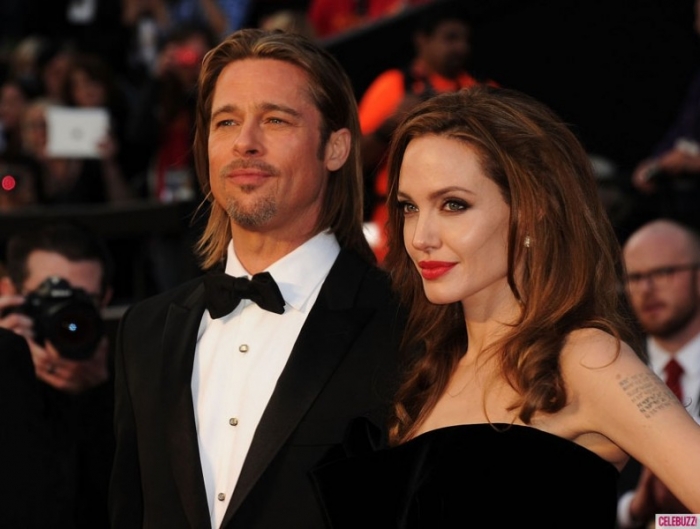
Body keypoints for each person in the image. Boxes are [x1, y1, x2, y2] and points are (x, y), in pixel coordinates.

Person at [310, 86, 700, 528]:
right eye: (409, 207)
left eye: (453, 205)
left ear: (531, 209)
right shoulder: (425, 373)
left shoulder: (585, 359)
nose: (420, 237)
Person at [109, 28, 406, 529]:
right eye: (226, 122)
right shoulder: (144, 332)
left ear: (335, 148)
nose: (245, 143)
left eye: (275, 120)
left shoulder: (408, 323)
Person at [357, 2, 498, 261]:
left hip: (469, 222)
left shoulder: (482, 90)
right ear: (422, 41)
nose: (461, 47)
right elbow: (352, 160)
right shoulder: (394, 85)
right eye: (450, 38)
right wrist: (390, 125)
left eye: (465, 40)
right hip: (398, 226)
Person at [0, 221, 117, 528]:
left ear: (105, 300)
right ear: (8, 292)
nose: (68, 318)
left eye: (83, 302)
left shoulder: (130, 379)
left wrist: (101, 396)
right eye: (51, 298)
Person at [617, 218, 700, 528]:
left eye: (664, 272)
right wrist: (633, 509)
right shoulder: (608, 372)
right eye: (635, 277)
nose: (646, 289)